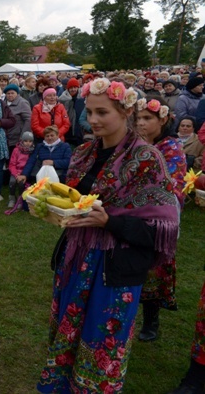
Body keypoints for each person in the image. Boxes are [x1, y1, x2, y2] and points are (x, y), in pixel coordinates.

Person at [37, 78, 180, 393]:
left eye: (102, 112)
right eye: (89, 112)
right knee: (66, 332)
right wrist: (49, 203)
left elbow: (163, 228)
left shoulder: (146, 160)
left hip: (116, 269)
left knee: (102, 342)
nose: (93, 120)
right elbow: (77, 199)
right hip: (76, 258)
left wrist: (109, 222)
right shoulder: (85, 152)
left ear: (125, 111)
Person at [135, 98, 187, 342]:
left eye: (147, 118)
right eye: (138, 118)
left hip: (159, 219)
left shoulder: (172, 148)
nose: (141, 123)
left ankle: (151, 319)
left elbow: (172, 185)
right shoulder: (135, 144)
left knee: (155, 268)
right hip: (132, 216)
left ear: (163, 119)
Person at [8, 131, 35, 208]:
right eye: (25, 141)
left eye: (30, 141)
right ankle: (12, 198)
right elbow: (12, 164)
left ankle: (20, 199)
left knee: (21, 184)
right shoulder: (16, 150)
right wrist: (16, 174)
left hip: (25, 172)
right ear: (21, 141)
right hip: (16, 171)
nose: (28, 143)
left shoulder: (33, 151)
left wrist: (24, 174)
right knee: (12, 182)